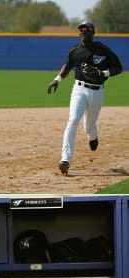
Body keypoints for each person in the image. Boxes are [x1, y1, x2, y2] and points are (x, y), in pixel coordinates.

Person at [46, 21, 123, 176]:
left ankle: (93, 137)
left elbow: (118, 68)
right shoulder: (75, 51)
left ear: (92, 32)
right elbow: (67, 66)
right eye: (80, 29)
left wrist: (104, 74)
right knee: (73, 121)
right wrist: (57, 79)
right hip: (79, 89)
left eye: (85, 29)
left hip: (97, 92)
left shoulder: (103, 50)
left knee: (89, 126)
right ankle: (65, 160)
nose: (82, 31)